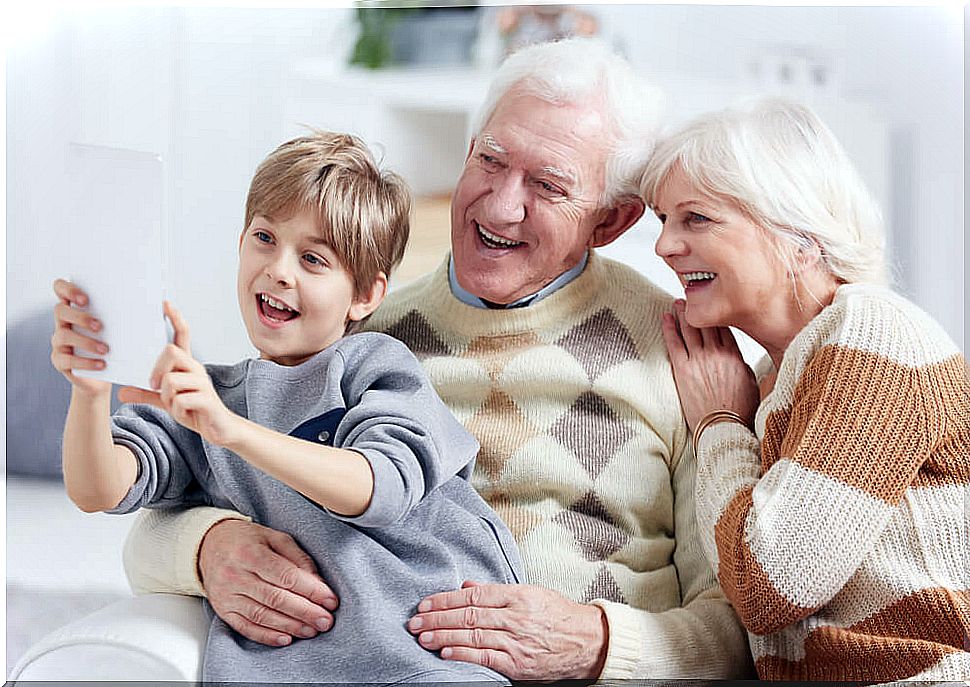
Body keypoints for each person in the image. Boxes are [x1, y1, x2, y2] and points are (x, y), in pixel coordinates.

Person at [122, 38, 753, 680]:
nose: (502, 205)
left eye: (548, 185)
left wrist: (593, 645)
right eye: (491, 159)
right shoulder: (361, 336)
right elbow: (171, 491)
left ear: (612, 221)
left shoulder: (681, 352)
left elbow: (744, 623)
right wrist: (204, 547)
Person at [50, 131, 522, 685]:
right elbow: (97, 489)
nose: (279, 269)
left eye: (314, 259)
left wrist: (231, 432)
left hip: (431, 659)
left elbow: (380, 488)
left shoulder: (375, 366)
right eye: (265, 237)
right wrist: (89, 392)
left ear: (366, 295)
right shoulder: (210, 400)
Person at [641, 98, 970, 682]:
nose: (664, 245)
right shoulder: (776, 380)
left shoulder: (873, 335)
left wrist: (719, 424)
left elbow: (770, 586)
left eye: (696, 218)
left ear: (797, 233)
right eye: (663, 220)